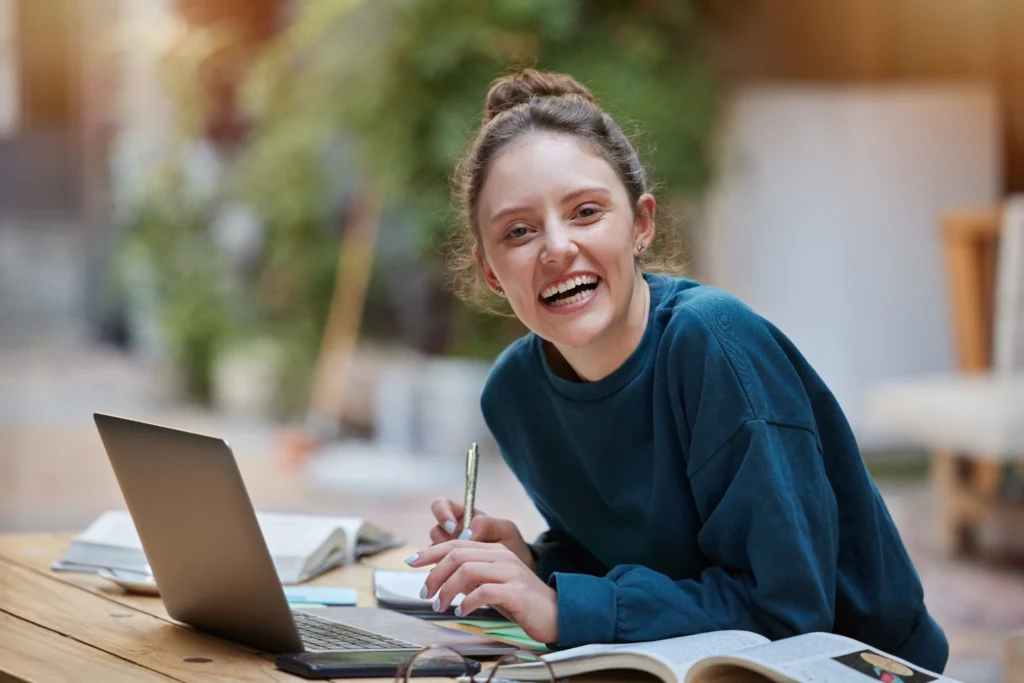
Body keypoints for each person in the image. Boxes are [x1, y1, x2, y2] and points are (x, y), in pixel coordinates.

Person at [402, 69, 948, 673]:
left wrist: (562, 609)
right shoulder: (514, 395)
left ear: (641, 224)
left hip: (848, 668)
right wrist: (535, 564)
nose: (555, 248)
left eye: (585, 212)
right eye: (519, 232)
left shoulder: (714, 344)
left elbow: (789, 613)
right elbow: (648, 561)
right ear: (488, 270)